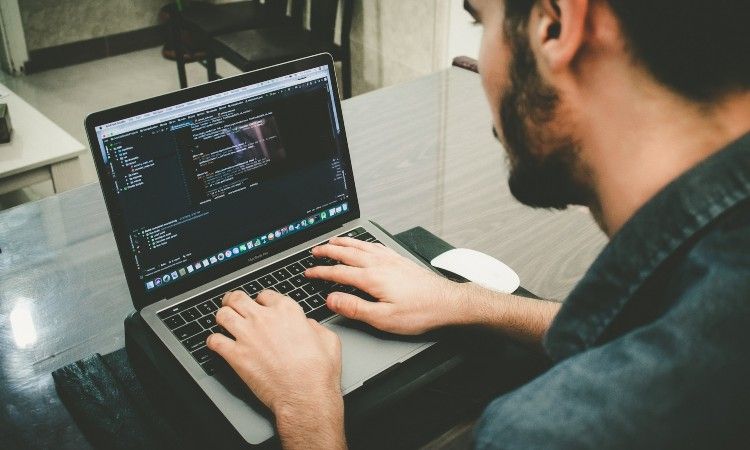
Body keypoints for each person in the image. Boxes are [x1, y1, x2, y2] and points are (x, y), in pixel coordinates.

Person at [205, 0, 750, 448]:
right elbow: (640, 320)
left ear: (555, 24)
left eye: (479, 21)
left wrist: (307, 410)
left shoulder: (551, 432)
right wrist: (460, 301)